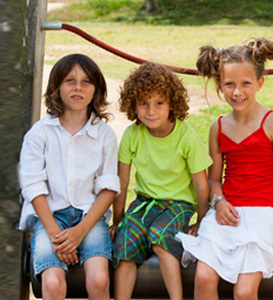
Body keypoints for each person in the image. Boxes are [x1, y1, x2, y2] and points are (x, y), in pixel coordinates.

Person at [177, 38, 273, 300]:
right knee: (204, 279)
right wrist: (218, 203)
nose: (237, 92)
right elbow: (214, 180)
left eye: (245, 84)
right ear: (220, 87)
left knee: (244, 292)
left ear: (260, 83)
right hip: (227, 213)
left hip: (264, 215)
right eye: (229, 84)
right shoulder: (217, 128)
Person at [18, 53, 120, 300]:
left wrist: (80, 231)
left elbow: (108, 188)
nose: (78, 87)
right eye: (70, 80)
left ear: (96, 91)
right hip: (50, 218)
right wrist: (56, 235)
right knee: (52, 284)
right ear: (55, 87)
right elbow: (33, 186)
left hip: (89, 217)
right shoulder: (39, 133)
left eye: (86, 82)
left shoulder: (104, 135)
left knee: (99, 280)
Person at [111, 62, 212, 300]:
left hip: (178, 204)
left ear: (172, 105)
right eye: (143, 103)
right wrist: (118, 220)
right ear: (132, 104)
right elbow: (122, 182)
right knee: (125, 242)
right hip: (145, 202)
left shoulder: (186, 136)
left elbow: (201, 184)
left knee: (160, 236)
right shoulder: (132, 135)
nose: (150, 111)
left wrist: (202, 221)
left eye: (159, 103)